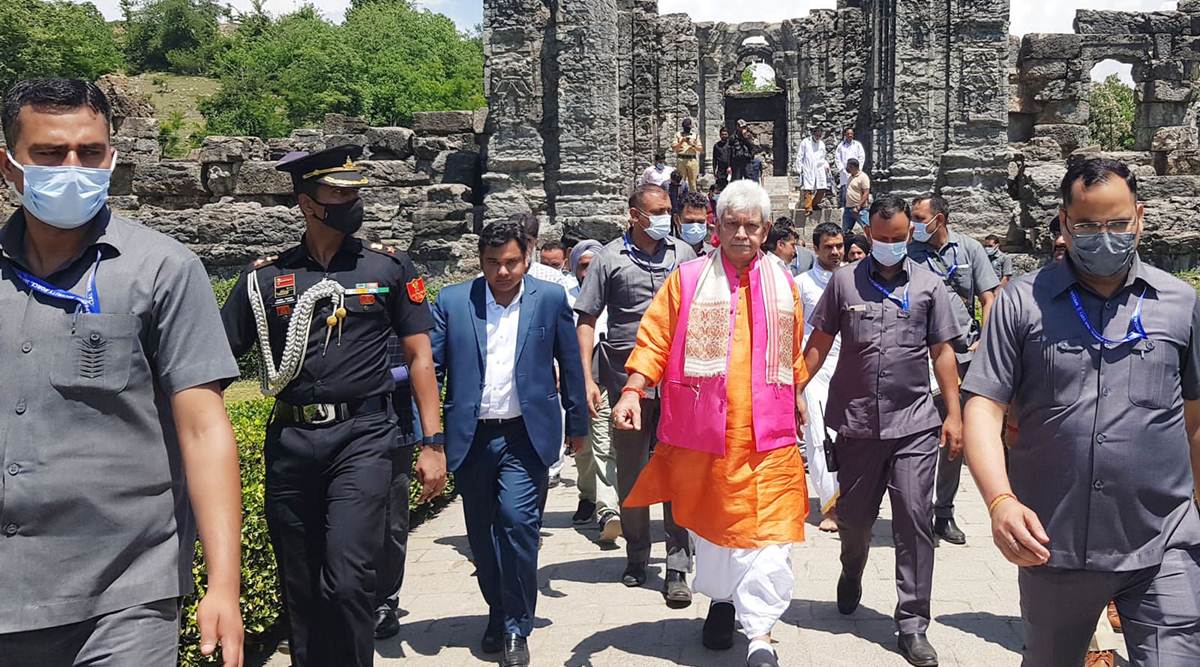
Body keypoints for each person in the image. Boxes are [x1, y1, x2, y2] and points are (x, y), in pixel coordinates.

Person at [0, 78, 244, 667]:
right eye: (50, 155)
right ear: (9, 166)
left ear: (111, 157)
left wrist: (224, 586)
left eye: (89, 152)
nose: (73, 167)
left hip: (123, 594)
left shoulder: (162, 269)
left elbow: (204, 430)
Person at [962, 158, 1200, 666]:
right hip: (1054, 544)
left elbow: (1195, 420)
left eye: (1117, 224)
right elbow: (983, 404)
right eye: (1088, 225)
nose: (1104, 237)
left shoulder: (1180, 303)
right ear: (1065, 223)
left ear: (1139, 217)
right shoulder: (1021, 304)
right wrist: (1000, 500)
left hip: (1163, 538)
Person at [221, 144, 446, 667]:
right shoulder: (265, 280)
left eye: (354, 191)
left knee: (347, 579)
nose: (351, 200)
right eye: (338, 192)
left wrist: (432, 442)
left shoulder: (388, 267)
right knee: (300, 585)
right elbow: (212, 357)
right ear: (307, 203)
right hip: (292, 442)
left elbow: (419, 358)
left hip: (364, 438)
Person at [616, 179, 809, 667]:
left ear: (765, 230)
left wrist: (800, 396)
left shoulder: (784, 284)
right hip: (708, 435)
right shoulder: (686, 279)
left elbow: (792, 354)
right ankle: (724, 603)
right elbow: (655, 339)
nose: (742, 233)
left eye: (752, 225)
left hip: (770, 437)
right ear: (717, 228)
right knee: (716, 530)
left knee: (770, 533)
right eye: (732, 223)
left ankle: (761, 634)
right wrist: (635, 389)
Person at [802, 195, 966, 667]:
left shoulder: (931, 286)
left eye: (899, 238)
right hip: (855, 424)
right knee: (854, 521)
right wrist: (793, 388)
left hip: (914, 422)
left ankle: (912, 623)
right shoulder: (843, 284)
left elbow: (943, 354)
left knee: (915, 519)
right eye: (883, 238)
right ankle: (851, 570)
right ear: (868, 234)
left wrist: (953, 414)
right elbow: (819, 343)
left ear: (908, 235)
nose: (891, 245)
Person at [431, 221, 588, 667]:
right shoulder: (454, 302)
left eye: (512, 262)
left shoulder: (550, 299)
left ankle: (518, 625)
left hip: (525, 435)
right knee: (482, 537)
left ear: (528, 256)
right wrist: (430, 438)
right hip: (472, 437)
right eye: (493, 263)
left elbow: (570, 363)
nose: (503, 271)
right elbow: (431, 370)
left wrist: (577, 423)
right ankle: (497, 608)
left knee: (518, 526)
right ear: (479, 261)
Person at [574, 185, 698, 602]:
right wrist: (586, 379)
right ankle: (637, 553)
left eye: (669, 210)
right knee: (633, 473)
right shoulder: (609, 259)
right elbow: (587, 319)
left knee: (678, 471)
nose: (667, 217)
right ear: (635, 215)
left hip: (680, 383)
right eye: (659, 211)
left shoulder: (683, 255)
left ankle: (679, 564)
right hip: (626, 383)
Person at [907, 194, 1000, 547]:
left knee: (953, 438)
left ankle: (943, 512)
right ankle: (915, 513)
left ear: (939, 218)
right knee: (919, 440)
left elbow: (988, 299)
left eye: (919, 217)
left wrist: (985, 341)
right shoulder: (909, 253)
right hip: (921, 358)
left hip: (964, 356)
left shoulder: (969, 249)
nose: (914, 224)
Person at [373, 333, 428, 640]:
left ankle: (385, 601)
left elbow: (424, 362)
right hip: (335, 427)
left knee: (391, 522)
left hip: (394, 422)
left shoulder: (397, 293)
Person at [567, 240, 622, 543]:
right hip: (577, 378)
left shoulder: (615, 292)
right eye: (583, 265)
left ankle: (607, 510)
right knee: (583, 448)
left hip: (609, 376)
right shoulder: (564, 297)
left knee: (604, 444)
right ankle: (587, 495)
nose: (589, 271)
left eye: (594, 264)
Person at [795, 222, 845, 533]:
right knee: (818, 437)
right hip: (813, 372)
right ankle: (830, 506)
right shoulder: (801, 284)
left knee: (848, 438)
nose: (836, 252)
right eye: (829, 247)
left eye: (839, 246)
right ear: (816, 248)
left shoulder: (855, 279)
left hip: (850, 366)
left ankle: (852, 498)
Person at [795, 127, 830, 215]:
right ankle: (808, 208)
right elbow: (800, 156)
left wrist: (826, 165)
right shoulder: (805, 142)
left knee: (822, 188)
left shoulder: (822, 144)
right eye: (817, 134)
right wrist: (799, 168)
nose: (818, 136)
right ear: (813, 134)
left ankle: (814, 203)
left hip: (819, 168)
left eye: (820, 135)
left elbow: (823, 156)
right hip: (808, 167)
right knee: (808, 188)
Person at [834, 128, 866, 207]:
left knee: (856, 187)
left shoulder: (857, 145)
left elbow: (861, 157)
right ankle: (844, 206)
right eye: (848, 134)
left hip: (856, 171)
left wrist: (858, 169)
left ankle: (856, 205)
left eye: (851, 134)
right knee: (845, 189)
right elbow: (837, 158)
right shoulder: (841, 146)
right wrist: (842, 169)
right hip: (845, 171)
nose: (850, 135)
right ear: (845, 135)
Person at [678, 190, 715, 255]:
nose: (695, 227)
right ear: (677, 220)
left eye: (700, 221)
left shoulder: (714, 254)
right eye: (689, 221)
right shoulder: (666, 256)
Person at [672, 117, 703, 190]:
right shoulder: (678, 135)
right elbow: (674, 148)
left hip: (692, 160)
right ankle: (681, 199)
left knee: (693, 183)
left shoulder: (695, 135)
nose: (688, 128)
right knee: (681, 182)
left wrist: (692, 145)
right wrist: (681, 141)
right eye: (686, 126)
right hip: (681, 159)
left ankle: (693, 199)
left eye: (689, 126)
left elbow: (701, 149)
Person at [843, 158, 870, 234]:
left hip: (859, 209)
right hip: (848, 208)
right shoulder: (850, 177)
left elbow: (866, 193)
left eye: (848, 166)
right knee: (845, 231)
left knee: (868, 228)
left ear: (853, 167)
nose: (847, 168)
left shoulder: (863, 177)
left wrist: (858, 206)